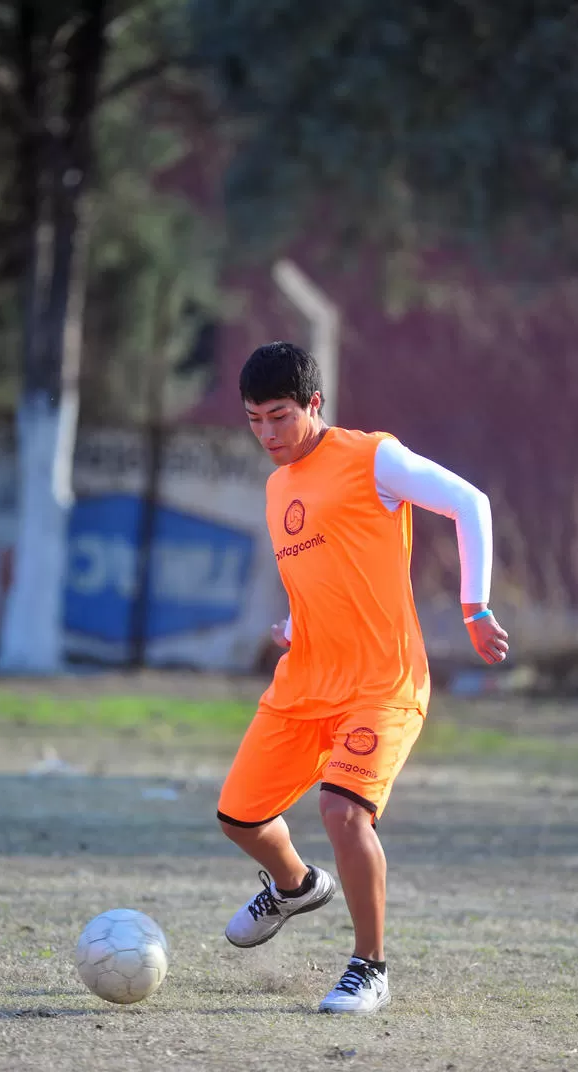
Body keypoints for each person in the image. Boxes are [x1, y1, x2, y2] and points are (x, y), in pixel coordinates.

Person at [217, 341, 509, 1015]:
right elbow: (319, 569)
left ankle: (369, 967)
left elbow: (472, 503)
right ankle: (294, 886)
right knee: (239, 816)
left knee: (342, 811)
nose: (267, 433)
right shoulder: (275, 486)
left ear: (314, 404)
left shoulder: (374, 457)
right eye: (255, 419)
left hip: (382, 683)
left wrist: (476, 606)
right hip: (305, 682)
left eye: (281, 415)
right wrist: (293, 623)